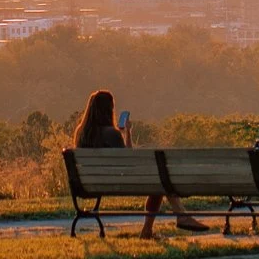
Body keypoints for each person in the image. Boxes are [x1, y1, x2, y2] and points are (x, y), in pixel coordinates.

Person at [70, 91, 208, 239]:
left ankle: (166, 223)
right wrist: (126, 133)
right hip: (120, 182)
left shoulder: (81, 133)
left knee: (159, 181)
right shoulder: (112, 133)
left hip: (88, 184)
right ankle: (175, 218)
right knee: (160, 180)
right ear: (109, 109)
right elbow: (129, 161)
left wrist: (124, 134)